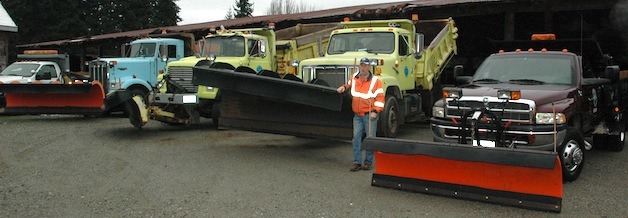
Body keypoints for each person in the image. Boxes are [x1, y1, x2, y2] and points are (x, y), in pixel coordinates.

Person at [336, 57, 385, 171]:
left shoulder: (375, 81)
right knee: (356, 138)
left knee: (370, 139)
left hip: (369, 115)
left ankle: (368, 162)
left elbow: (380, 98)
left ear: (369, 67)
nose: (364, 68)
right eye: (362, 65)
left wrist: (375, 111)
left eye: (366, 66)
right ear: (359, 66)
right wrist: (343, 87)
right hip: (357, 115)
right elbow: (348, 84)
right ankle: (357, 162)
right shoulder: (354, 77)